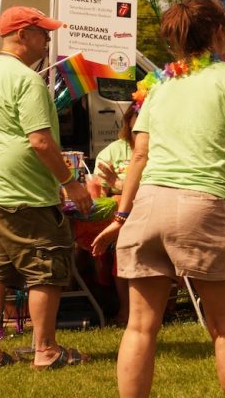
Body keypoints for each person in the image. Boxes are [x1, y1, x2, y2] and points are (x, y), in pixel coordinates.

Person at [90, 0, 225, 398]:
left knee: (140, 327)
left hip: (146, 207)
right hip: (200, 206)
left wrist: (121, 217)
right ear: (219, 31)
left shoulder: (159, 86)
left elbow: (139, 157)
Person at [0, 6, 93, 370]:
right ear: (22, 35)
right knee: (46, 269)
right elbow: (40, 141)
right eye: (43, 33)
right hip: (24, 195)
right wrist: (72, 184)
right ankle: (46, 350)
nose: (49, 40)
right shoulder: (27, 80)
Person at [89, 106, 138, 325]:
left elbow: (153, 187)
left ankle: (127, 310)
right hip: (116, 218)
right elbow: (98, 190)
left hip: (143, 216)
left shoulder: (162, 151)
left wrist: (117, 183)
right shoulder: (113, 151)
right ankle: (98, 301)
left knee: (123, 245)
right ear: (128, 123)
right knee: (84, 243)